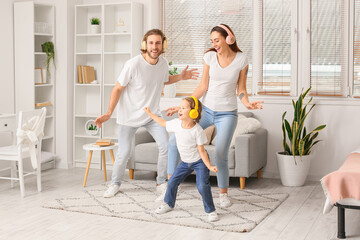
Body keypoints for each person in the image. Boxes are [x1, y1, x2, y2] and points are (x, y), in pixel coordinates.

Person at [166, 24, 263, 208]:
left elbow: (241, 89)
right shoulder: (209, 57)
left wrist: (247, 103)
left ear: (229, 38)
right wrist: (184, 105)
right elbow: (203, 86)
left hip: (227, 114)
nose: (214, 44)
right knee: (173, 142)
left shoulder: (242, 59)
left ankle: (223, 194)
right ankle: (171, 185)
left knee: (220, 153)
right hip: (206, 111)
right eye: (212, 41)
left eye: (217, 40)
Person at [95, 29, 199, 200]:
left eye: (158, 43)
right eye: (151, 43)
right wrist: (108, 113)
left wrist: (181, 76)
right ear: (145, 44)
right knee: (124, 152)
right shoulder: (133, 64)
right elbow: (118, 88)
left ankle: (161, 183)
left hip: (151, 115)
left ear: (163, 45)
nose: (154, 46)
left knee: (165, 146)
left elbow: (164, 79)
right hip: (128, 116)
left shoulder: (163, 63)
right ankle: (115, 184)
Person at [144, 96, 219, 222]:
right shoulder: (176, 124)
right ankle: (168, 204)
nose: (179, 110)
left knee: (202, 185)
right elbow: (162, 123)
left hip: (199, 162)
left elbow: (202, 151)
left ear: (193, 112)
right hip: (185, 163)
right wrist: (149, 113)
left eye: (183, 108)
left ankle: (211, 211)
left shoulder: (197, 130)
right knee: (172, 182)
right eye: (180, 107)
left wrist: (209, 166)